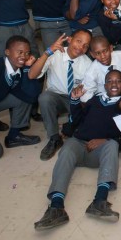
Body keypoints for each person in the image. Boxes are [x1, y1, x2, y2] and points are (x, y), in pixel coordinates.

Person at [34, 70, 121, 230]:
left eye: (118, 81)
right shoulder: (95, 100)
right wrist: (75, 101)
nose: (114, 84)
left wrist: (105, 140)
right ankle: (56, 207)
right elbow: (77, 119)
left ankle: (99, 201)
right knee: (67, 147)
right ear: (104, 85)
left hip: (100, 151)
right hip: (79, 143)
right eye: (110, 81)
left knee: (113, 145)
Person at [28, 30, 93, 161]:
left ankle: (71, 125)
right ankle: (54, 138)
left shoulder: (87, 63)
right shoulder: (54, 54)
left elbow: (88, 92)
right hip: (56, 97)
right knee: (45, 98)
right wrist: (47, 53)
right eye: (78, 41)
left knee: (84, 130)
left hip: (75, 99)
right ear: (69, 39)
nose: (80, 47)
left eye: (85, 46)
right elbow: (31, 75)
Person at [81, 36, 121, 103]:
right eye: (98, 53)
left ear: (111, 48)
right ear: (92, 54)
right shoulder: (91, 73)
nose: (103, 56)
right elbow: (85, 98)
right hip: (105, 100)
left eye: (105, 51)